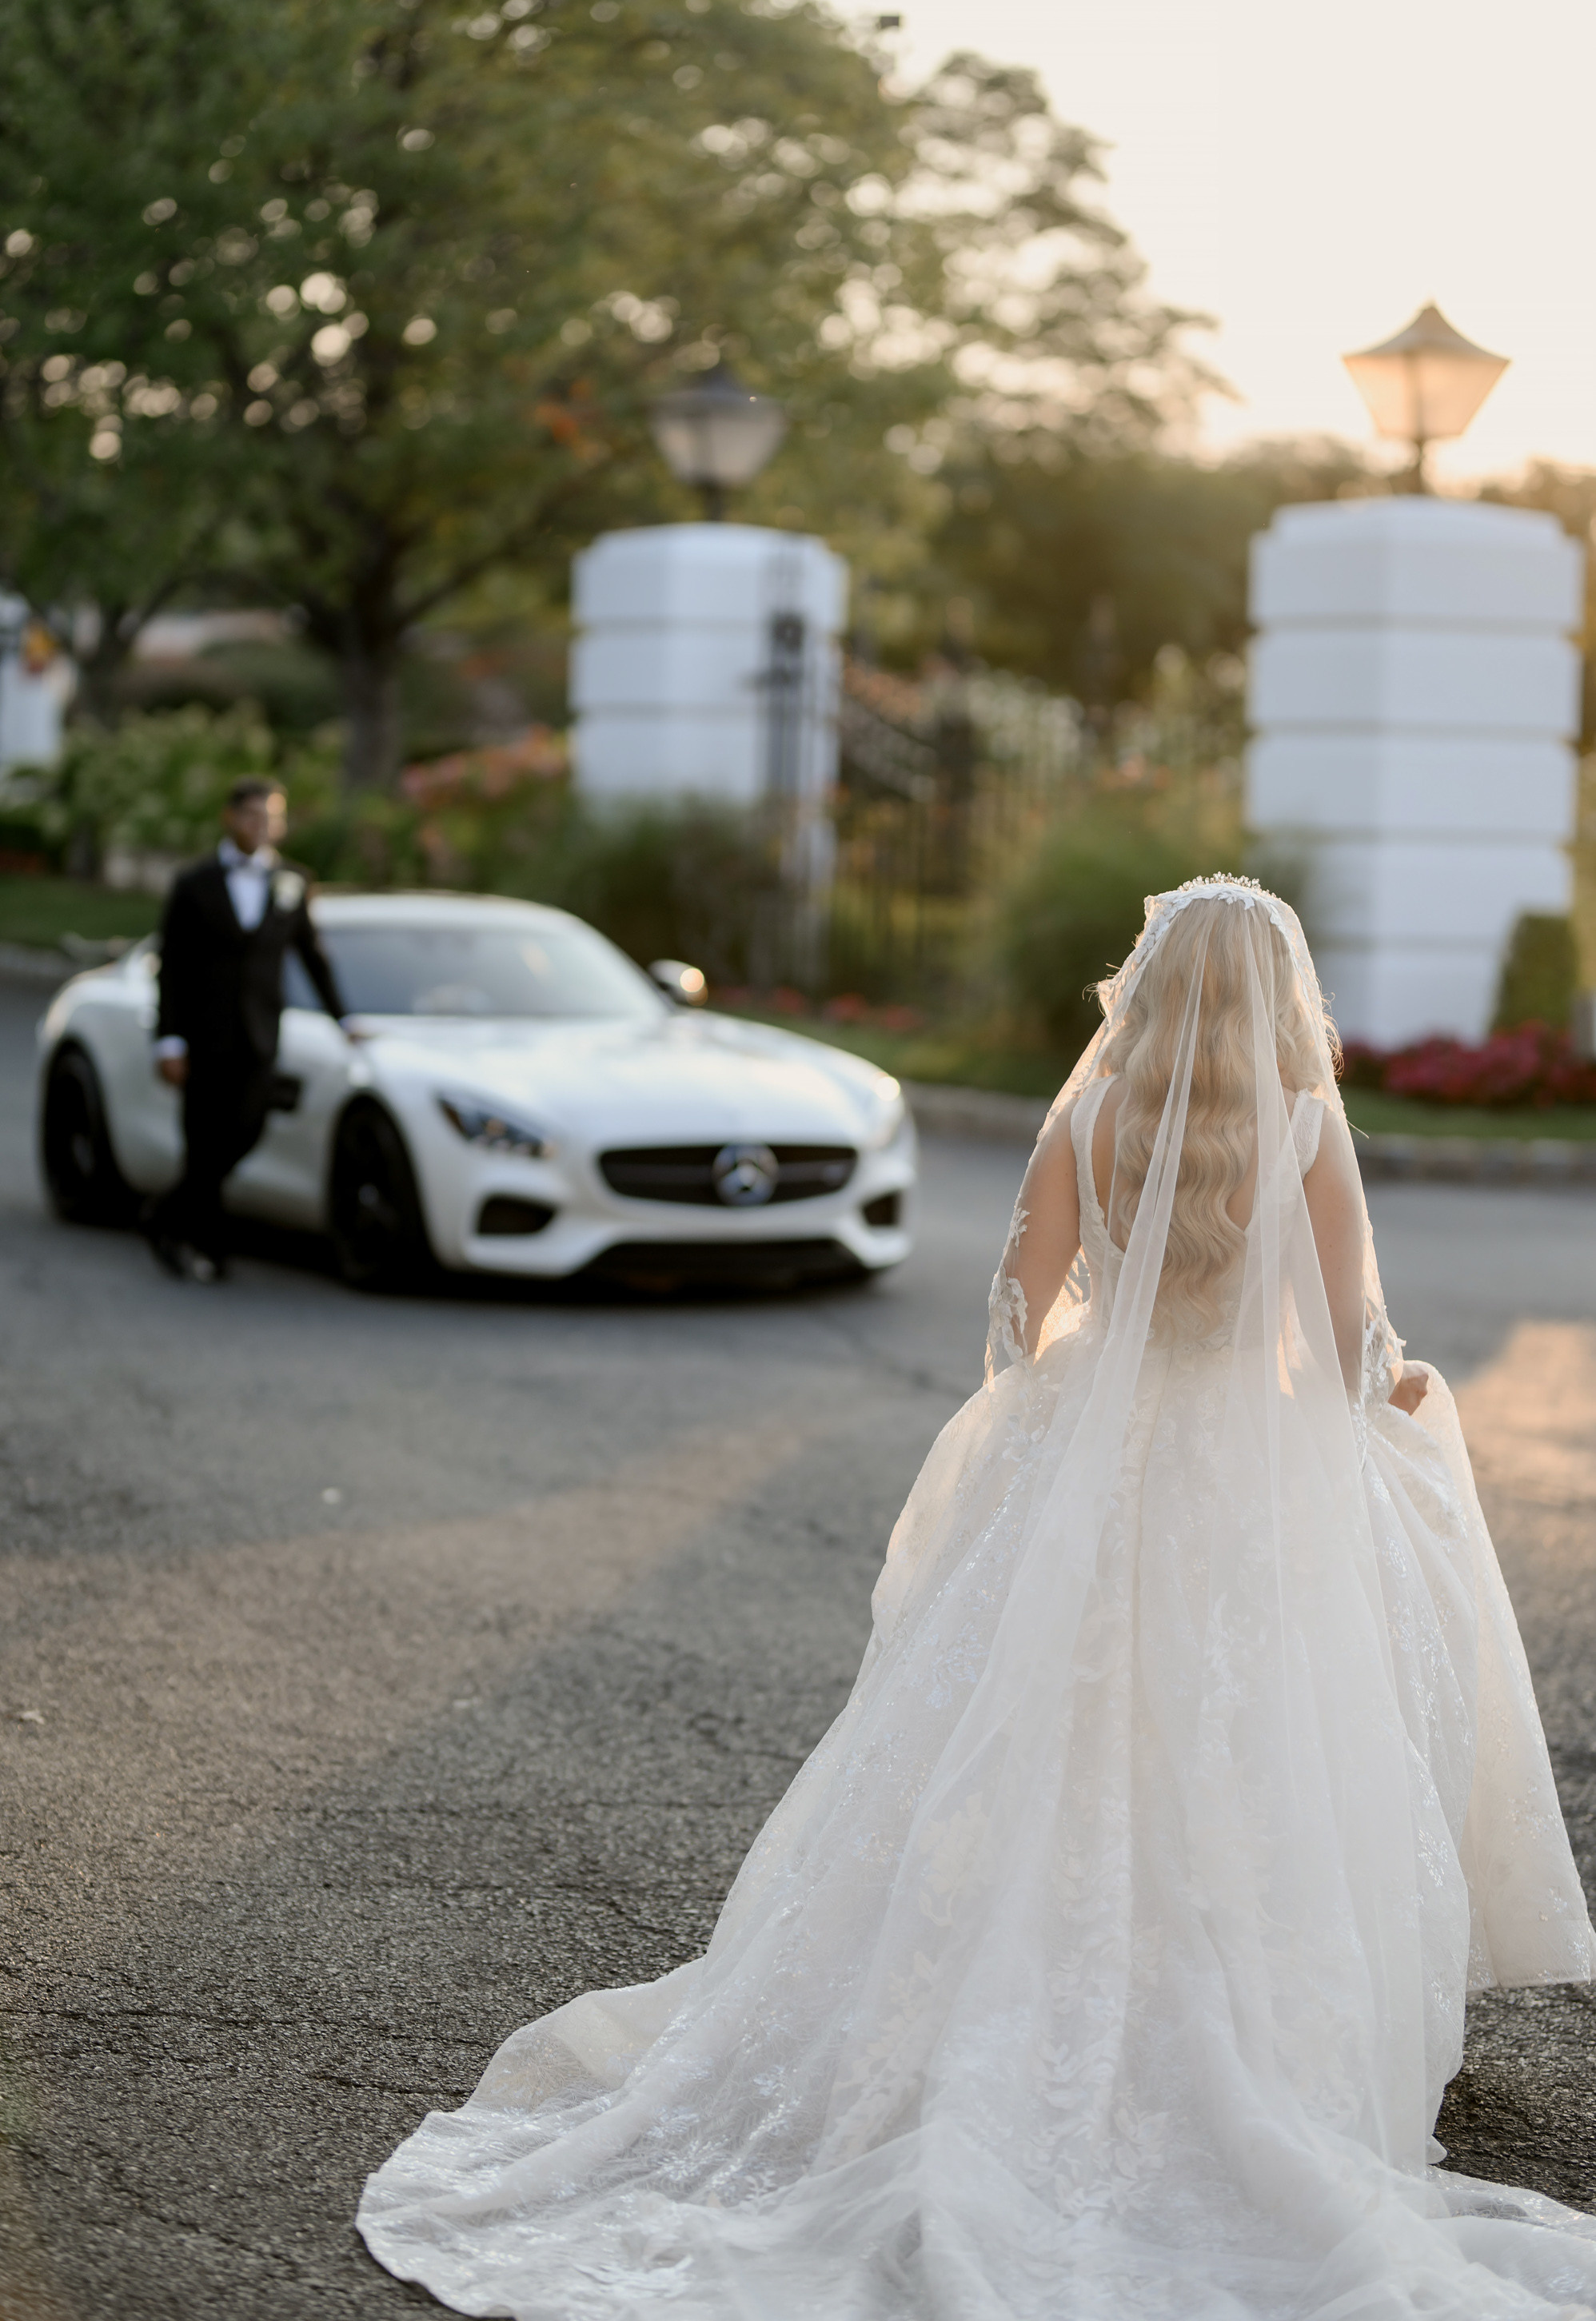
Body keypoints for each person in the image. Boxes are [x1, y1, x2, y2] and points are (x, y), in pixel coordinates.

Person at [358, 878, 1596, 2320]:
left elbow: (1020, 1309)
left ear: (1145, 978)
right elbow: (1341, 1350)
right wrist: (1395, 1389)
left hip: (1085, 1458)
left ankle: (977, 2017)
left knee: (1027, 1747)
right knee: (1234, 1753)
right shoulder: (1305, 1123)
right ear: (1277, 991)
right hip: (1237, 1486)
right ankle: (1226, 2041)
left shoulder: (1090, 1112)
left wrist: (1074, 1395)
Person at [146, 776, 349, 1282]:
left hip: (260, 1036)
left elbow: (313, 959)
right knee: (202, 1138)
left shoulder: (293, 883)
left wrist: (345, 1019)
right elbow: (171, 967)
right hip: (202, 1036)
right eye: (253, 816)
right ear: (231, 818)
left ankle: (163, 1217)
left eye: (272, 818)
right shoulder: (194, 884)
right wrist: (168, 1039)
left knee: (245, 1129)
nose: (262, 826)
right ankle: (206, 1248)